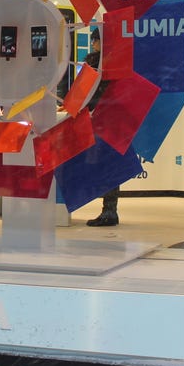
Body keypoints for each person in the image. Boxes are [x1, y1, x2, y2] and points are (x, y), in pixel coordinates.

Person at [83, 28, 120, 227]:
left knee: (106, 165)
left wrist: (83, 106)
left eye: (95, 40)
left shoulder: (96, 64)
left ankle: (109, 212)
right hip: (113, 119)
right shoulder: (116, 63)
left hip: (101, 120)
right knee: (110, 165)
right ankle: (110, 209)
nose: (93, 44)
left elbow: (90, 92)